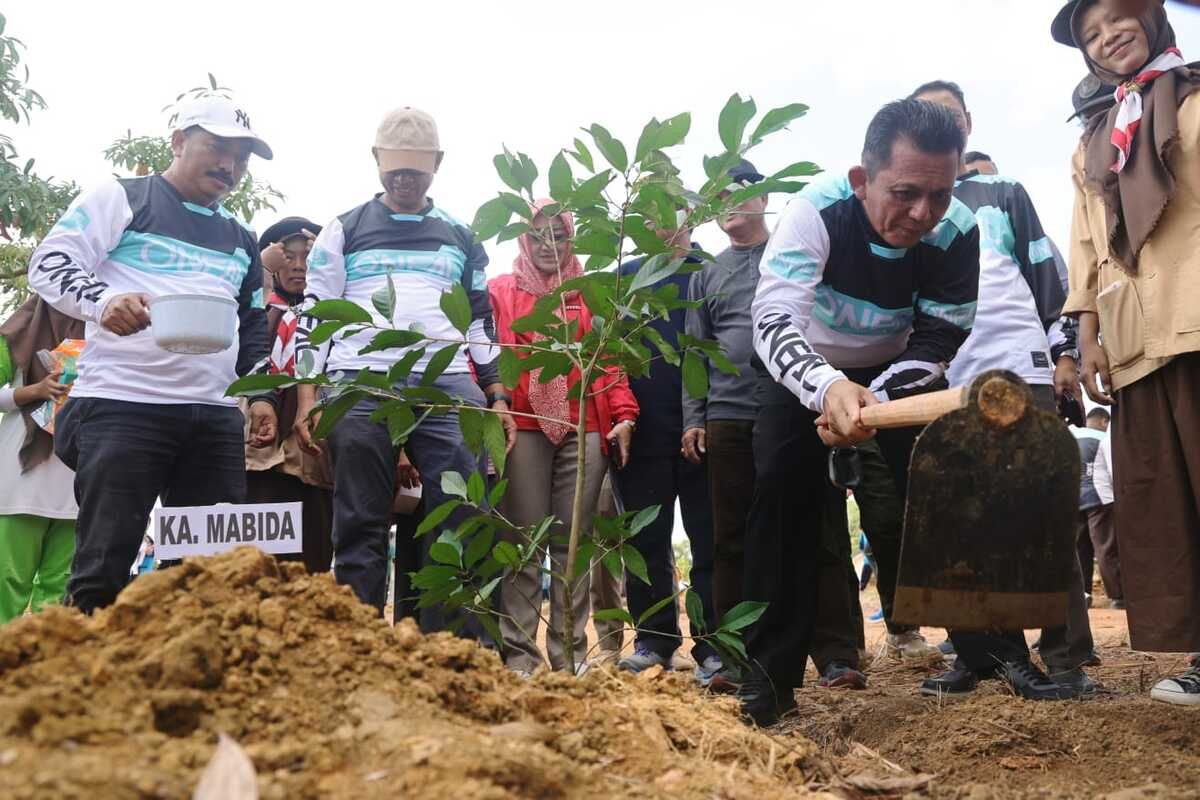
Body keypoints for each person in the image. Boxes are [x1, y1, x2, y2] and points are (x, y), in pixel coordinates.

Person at [739, 98, 980, 725]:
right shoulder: (814, 213)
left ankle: (990, 655)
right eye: (903, 193)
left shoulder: (957, 231)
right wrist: (826, 389)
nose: (922, 214)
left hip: (895, 375)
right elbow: (772, 319)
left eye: (939, 194)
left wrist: (874, 404)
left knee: (944, 493)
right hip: (805, 369)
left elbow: (939, 335)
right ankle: (769, 683)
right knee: (781, 506)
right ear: (860, 180)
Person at [28, 95, 278, 614]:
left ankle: (184, 684)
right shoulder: (123, 197)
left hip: (212, 419)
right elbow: (49, 262)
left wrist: (259, 396)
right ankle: (88, 684)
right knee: (104, 565)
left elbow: (253, 323)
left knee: (204, 571)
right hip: (123, 406)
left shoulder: (241, 238)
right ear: (179, 141)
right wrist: (102, 302)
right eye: (216, 148)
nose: (229, 166)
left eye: (241, 157)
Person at [293, 106, 516, 623]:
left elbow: (481, 321)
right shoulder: (343, 229)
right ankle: (359, 642)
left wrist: (497, 395)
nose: (404, 178)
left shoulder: (461, 236)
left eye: (416, 168)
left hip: (447, 383)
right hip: (359, 381)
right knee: (360, 517)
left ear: (436, 164)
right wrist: (308, 398)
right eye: (394, 167)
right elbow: (315, 317)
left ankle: (449, 651)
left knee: (461, 513)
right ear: (376, 161)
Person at [912, 80, 1097, 701]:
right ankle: (987, 656)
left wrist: (1065, 351)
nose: (942, 125)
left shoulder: (1002, 193)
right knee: (963, 524)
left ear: (967, 126)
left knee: (1038, 514)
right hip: (944, 379)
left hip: (1018, 365)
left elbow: (1046, 269)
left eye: (951, 116)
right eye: (928, 116)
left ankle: (1066, 657)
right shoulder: (912, 204)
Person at [1053, 0, 1200, 706]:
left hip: (1199, 316)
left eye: (1119, 16)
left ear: (1150, 16)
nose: (1107, 35)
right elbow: (1085, 243)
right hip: (1137, 337)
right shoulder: (1091, 142)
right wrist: (1087, 337)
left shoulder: (1198, 96)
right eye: (1091, 33)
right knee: (1169, 503)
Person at [682, 159, 868, 690]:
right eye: (715, 195)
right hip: (728, 416)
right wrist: (695, 418)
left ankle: (837, 653)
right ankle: (739, 658)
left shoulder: (792, 250)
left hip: (796, 410)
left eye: (738, 192)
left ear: (763, 198)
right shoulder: (706, 274)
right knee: (733, 539)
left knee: (821, 527)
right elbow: (695, 354)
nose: (727, 204)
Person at [488, 201, 638, 674]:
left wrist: (624, 413)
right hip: (524, 425)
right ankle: (521, 660)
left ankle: (569, 658)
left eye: (559, 235)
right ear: (523, 240)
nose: (549, 246)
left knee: (574, 542)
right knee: (524, 542)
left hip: (585, 426)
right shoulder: (500, 291)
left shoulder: (590, 292)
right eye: (538, 236)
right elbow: (487, 356)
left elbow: (609, 358)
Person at [614, 212, 720, 680]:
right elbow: (609, 355)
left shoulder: (711, 270)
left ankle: (713, 644)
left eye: (671, 207)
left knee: (710, 539)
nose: (660, 219)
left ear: (691, 216)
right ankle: (655, 640)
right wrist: (621, 417)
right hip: (641, 433)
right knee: (646, 539)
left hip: (705, 430)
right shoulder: (625, 277)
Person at [246, 216, 334, 574]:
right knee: (255, 557)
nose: (298, 267)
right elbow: (247, 351)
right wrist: (262, 277)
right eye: (288, 257)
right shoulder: (255, 309)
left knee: (310, 554)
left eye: (308, 258)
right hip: (257, 452)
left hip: (313, 454)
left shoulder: (335, 316)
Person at [0, 297, 83, 623]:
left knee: (62, 591)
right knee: (7, 580)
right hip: (21, 480)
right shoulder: (19, 332)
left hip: (82, 480)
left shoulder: (116, 336)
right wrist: (31, 392)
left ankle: (44, 667)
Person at [1074, 407, 1123, 607]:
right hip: (1098, 498)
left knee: (1079, 548)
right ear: (1104, 421)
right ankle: (1118, 596)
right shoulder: (1103, 439)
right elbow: (1112, 470)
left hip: (1074, 499)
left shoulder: (1072, 435)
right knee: (1105, 547)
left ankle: (1082, 595)